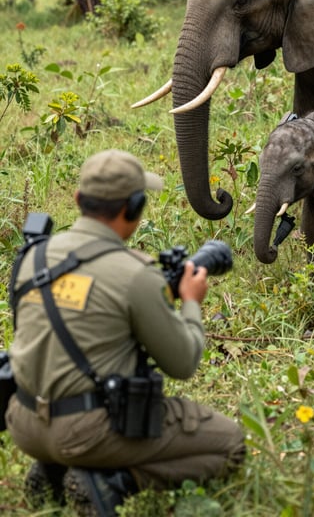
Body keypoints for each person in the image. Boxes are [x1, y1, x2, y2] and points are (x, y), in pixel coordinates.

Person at [5, 149, 245, 516]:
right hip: (85, 431)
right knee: (230, 445)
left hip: (23, 422)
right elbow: (183, 362)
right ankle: (112, 481)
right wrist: (191, 301)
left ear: (77, 200)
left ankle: (53, 467)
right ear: (133, 208)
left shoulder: (32, 257)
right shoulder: (135, 274)